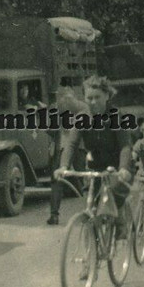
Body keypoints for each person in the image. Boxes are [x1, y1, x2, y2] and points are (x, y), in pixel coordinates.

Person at [51, 76, 134, 239]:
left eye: (97, 97)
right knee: (93, 202)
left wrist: (124, 168)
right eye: (89, 98)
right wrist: (63, 166)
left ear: (107, 96)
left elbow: (125, 146)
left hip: (118, 166)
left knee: (115, 188)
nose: (93, 101)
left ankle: (120, 219)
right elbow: (71, 144)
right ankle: (95, 247)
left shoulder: (116, 116)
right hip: (95, 165)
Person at [45, 86, 89, 225]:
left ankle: (54, 215)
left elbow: (49, 129)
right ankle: (89, 212)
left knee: (57, 181)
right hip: (80, 147)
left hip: (63, 147)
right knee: (84, 181)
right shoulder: (83, 106)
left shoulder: (55, 107)